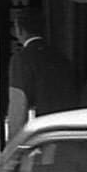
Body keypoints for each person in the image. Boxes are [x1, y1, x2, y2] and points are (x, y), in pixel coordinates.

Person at [7, 9, 81, 137]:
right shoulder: (61, 56)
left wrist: (13, 146)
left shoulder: (22, 58)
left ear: (19, 30)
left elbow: (18, 106)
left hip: (43, 135)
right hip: (67, 131)